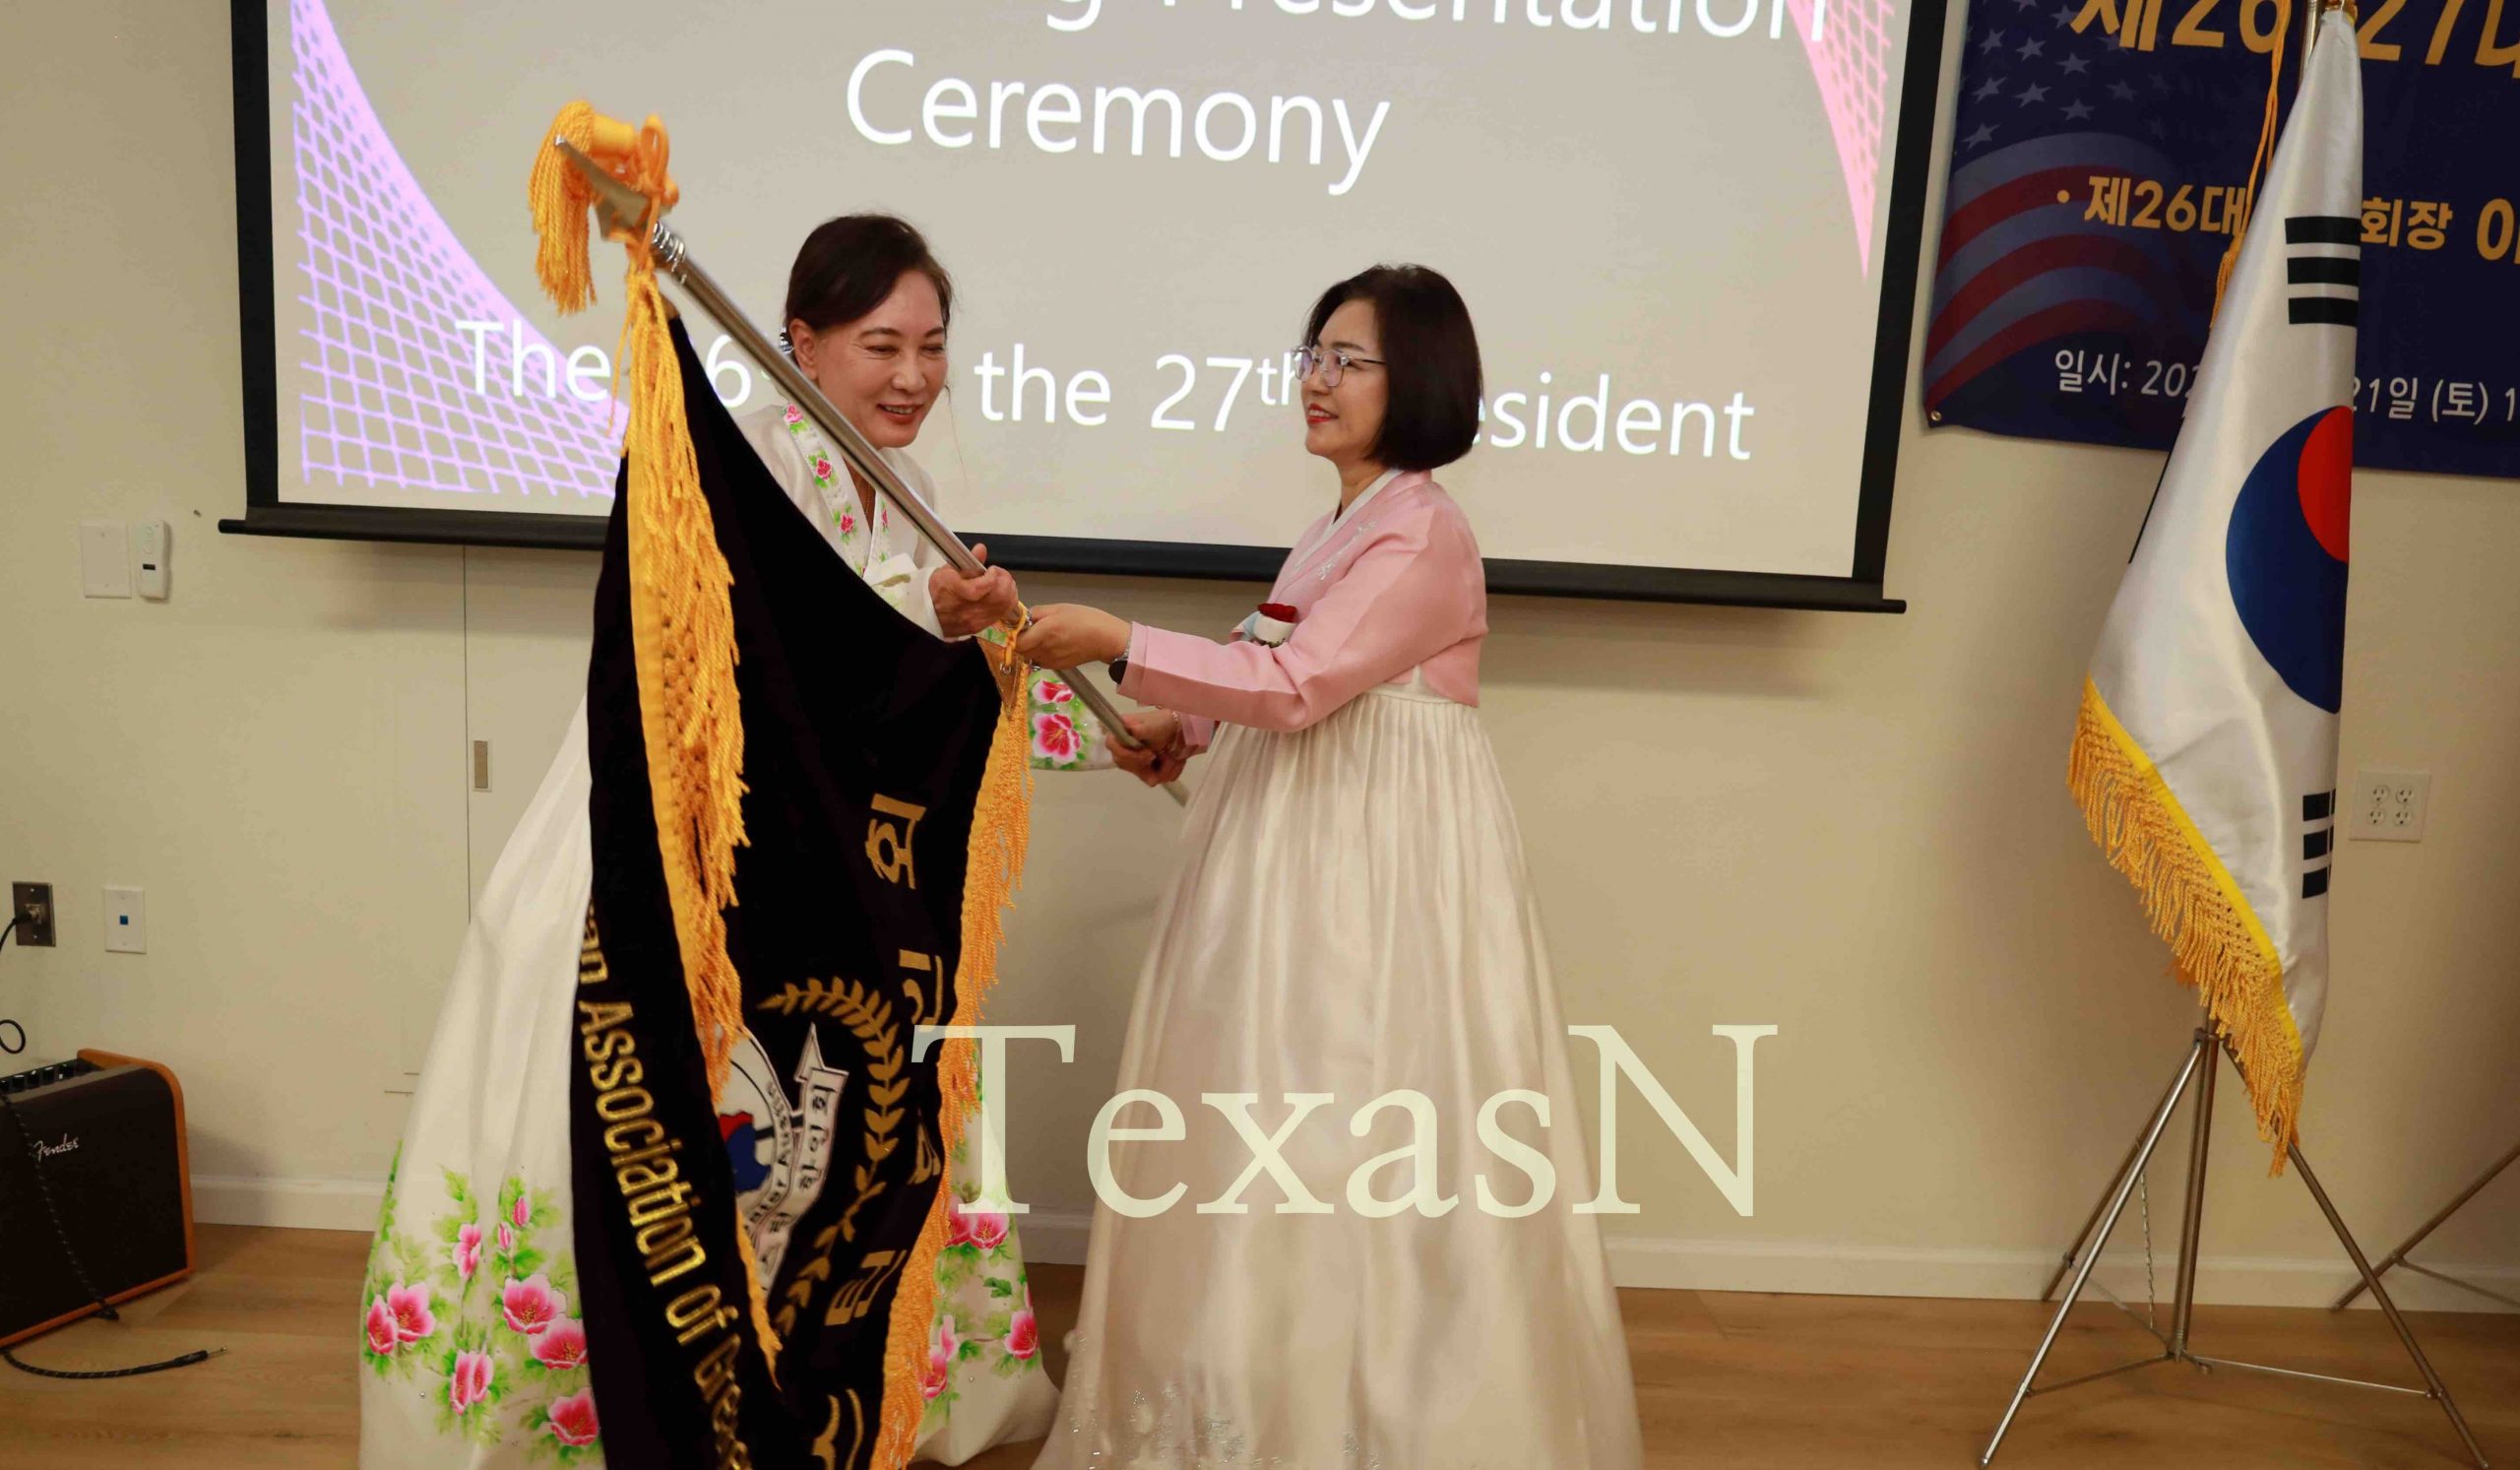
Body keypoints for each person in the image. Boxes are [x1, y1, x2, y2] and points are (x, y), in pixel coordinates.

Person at [1016, 265, 1646, 1467]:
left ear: (1420, 380)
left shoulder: (1424, 531)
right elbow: (1274, 652)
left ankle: (1359, 1413)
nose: (1318, 379)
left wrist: (1118, 639)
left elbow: (1301, 684)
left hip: (1373, 860)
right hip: (1297, 838)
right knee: (1259, 1096)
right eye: (1312, 354)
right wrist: (1179, 726)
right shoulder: (1337, 526)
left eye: (1348, 360)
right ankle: (1242, 1391)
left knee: (1350, 1098)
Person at [734, 215, 1071, 1459]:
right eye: (881, 345)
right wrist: (917, 607)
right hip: (758, 860)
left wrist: (1112, 727)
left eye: (932, 347)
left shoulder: (910, 490)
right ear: (801, 341)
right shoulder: (753, 459)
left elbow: (941, 694)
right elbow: (769, 651)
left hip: (866, 869)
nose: (914, 375)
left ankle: (885, 1383)